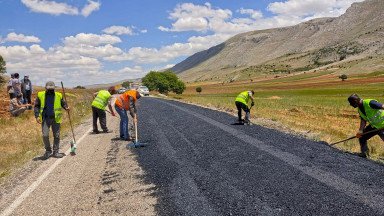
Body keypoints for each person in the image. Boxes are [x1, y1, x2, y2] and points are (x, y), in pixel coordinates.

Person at [34, 81, 69, 160]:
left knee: (56, 135)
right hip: (45, 118)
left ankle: (56, 151)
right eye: (49, 89)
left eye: (52, 89)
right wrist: (37, 116)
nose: (50, 90)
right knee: (45, 135)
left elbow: (63, 103)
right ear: (46, 88)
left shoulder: (59, 95)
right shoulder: (40, 95)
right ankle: (48, 151)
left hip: (56, 118)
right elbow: (36, 106)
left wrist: (66, 107)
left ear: (54, 88)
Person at [348, 94, 384, 158]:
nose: (351, 105)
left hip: (382, 126)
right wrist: (360, 131)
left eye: (351, 103)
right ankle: (364, 154)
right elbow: (363, 120)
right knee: (362, 137)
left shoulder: (370, 103)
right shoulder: (360, 109)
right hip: (374, 126)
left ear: (356, 101)